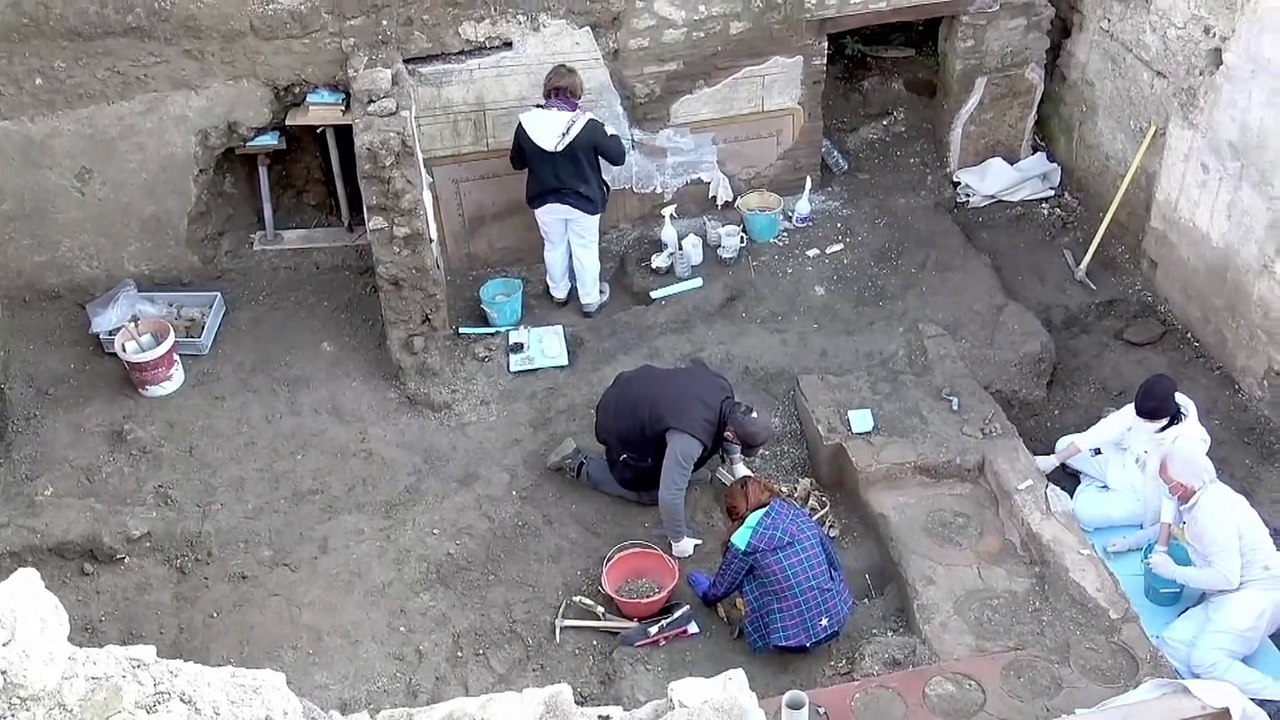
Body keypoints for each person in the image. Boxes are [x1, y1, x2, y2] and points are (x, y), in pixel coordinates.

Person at [546, 360, 773, 558]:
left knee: (683, 462)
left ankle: (677, 467)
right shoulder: (689, 440)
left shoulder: (723, 388)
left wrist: (737, 465)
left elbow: (726, 424)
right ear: (731, 433)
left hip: (636, 385)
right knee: (651, 492)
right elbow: (669, 495)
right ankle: (577, 462)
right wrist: (678, 540)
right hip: (619, 418)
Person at [1131, 444, 1280, 701]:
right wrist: (1128, 541)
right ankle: (1217, 692)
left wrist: (1175, 572)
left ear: (1183, 485)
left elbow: (1227, 577)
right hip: (1222, 594)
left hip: (1255, 594)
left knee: (1205, 659)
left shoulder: (1212, 514)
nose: (1164, 488)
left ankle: (1271, 696)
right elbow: (1167, 525)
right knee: (1170, 646)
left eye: (1167, 483)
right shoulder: (1194, 497)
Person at [509, 63, 627, 318]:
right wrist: (612, 132)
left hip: (544, 201)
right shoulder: (588, 124)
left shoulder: (527, 123)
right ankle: (590, 300)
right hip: (583, 202)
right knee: (584, 248)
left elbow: (516, 163)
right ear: (577, 92)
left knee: (554, 246)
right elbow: (618, 157)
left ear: (547, 91)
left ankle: (559, 293)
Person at [686, 477, 853, 653]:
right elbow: (832, 558)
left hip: (795, 640)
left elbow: (721, 589)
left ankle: (774, 633)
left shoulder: (743, 540)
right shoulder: (796, 512)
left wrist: (706, 593)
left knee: (749, 578)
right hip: (837, 613)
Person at [1033, 373, 1210, 531]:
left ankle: (1090, 482)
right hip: (1124, 462)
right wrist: (1054, 460)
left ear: (1164, 417)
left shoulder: (1189, 441)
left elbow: (1185, 489)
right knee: (1063, 445)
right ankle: (1092, 479)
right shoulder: (1144, 410)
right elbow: (1099, 433)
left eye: (1147, 421)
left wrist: (1155, 528)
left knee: (1082, 513)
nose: (1141, 422)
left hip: (1145, 497)